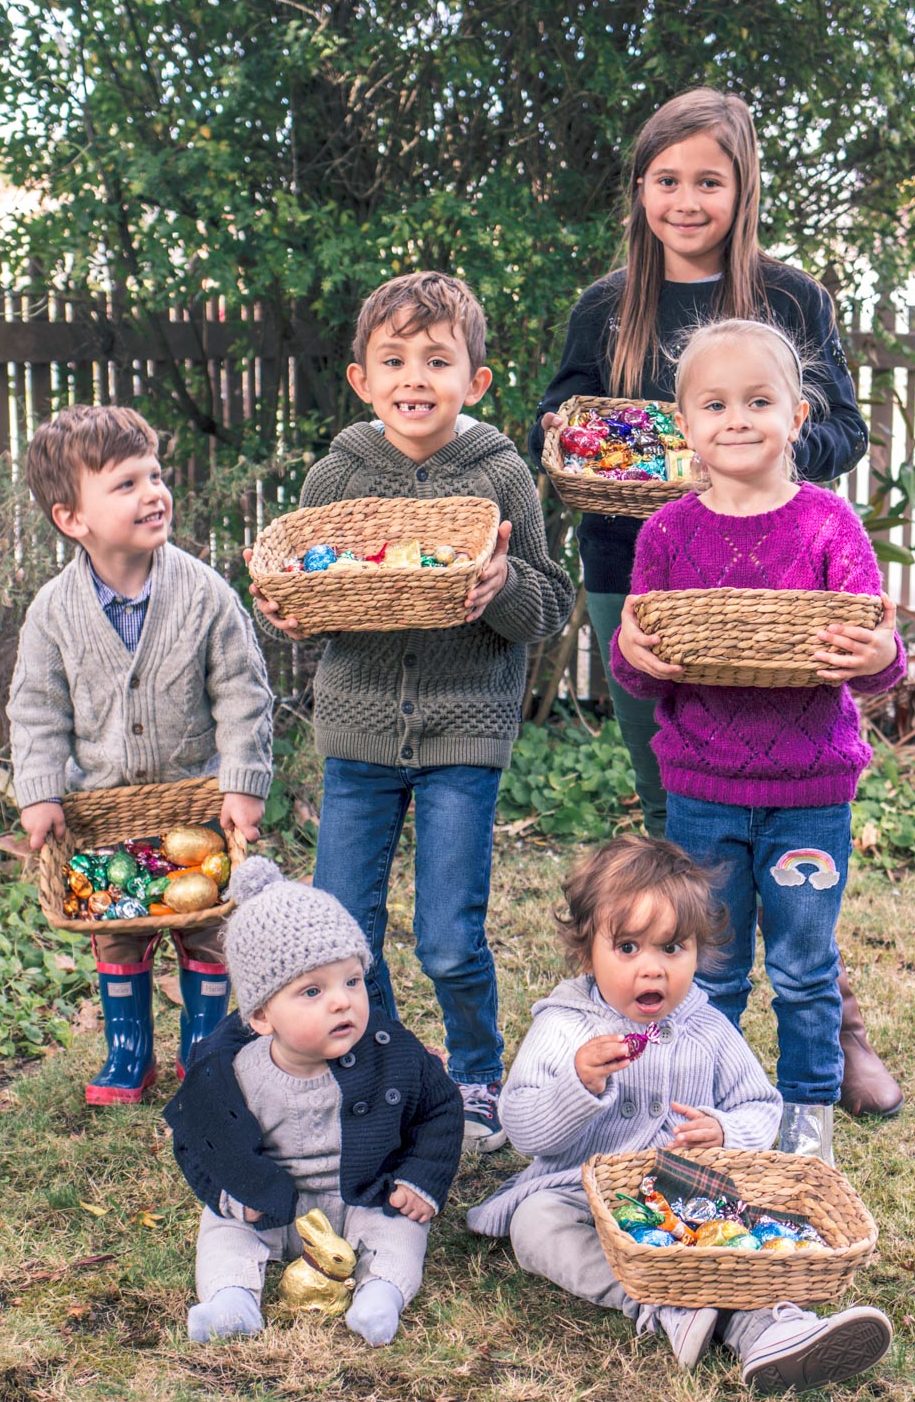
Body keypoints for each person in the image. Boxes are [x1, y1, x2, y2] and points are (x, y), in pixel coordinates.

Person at [529, 87, 900, 1121]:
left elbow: (837, 436)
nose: (686, 201)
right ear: (639, 188)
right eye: (666, 180)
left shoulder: (790, 300)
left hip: (775, 570)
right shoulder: (607, 306)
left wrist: (739, 453)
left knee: (788, 834)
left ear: (741, 189)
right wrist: (616, 446)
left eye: (709, 180)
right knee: (683, 807)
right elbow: (557, 419)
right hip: (642, 566)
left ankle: (830, 1015)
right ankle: (693, 1044)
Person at [251, 271, 575, 1152]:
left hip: (462, 734)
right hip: (356, 734)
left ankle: (474, 1071)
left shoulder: (499, 475)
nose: (413, 378)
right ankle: (386, 1065)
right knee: (344, 935)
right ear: (361, 378)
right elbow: (307, 587)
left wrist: (504, 583)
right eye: (392, 359)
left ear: (475, 379)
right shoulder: (338, 471)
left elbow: (548, 605)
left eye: (437, 360)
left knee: (445, 937)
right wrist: (284, 609)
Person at [611, 320, 906, 1163]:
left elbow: (869, 657)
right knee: (711, 966)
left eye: (757, 401)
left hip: (809, 792)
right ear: (683, 425)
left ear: (797, 413)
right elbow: (643, 664)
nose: (735, 419)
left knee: (805, 964)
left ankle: (804, 1116)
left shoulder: (826, 524)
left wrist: (885, 655)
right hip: (701, 789)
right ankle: (714, 1108)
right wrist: (630, 654)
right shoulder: (666, 533)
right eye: (714, 404)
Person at [467, 836, 894, 1393]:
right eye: (627, 948)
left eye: (673, 948)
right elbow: (521, 1126)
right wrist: (578, 1082)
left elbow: (760, 1106)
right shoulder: (565, 1026)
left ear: (699, 951)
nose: (653, 970)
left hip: (689, 1196)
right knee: (535, 1224)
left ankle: (780, 1325)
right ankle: (683, 1310)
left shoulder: (708, 1029)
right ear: (585, 950)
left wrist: (724, 1130)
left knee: (746, 1230)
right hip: (580, 1194)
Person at [7, 405, 273, 1102]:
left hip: (194, 801)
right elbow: (36, 708)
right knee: (118, 931)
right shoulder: (54, 612)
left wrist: (241, 784)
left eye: (154, 475)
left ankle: (205, 1050)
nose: (153, 492)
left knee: (205, 925)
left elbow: (243, 693)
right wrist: (39, 792)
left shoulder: (204, 595)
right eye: (125, 484)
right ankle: (129, 1051)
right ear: (73, 519)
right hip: (101, 809)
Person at [164, 856, 464, 1346]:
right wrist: (233, 1198)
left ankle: (382, 1293)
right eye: (312, 991)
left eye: (351, 981)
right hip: (270, 1204)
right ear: (262, 1017)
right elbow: (197, 1142)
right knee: (221, 1229)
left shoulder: (392, 1053)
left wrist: (419, 1179)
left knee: (401, 1228)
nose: (342, 1001)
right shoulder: (233, 1073)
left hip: (363, 1194)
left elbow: (441, 1109)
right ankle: (230, 1300)